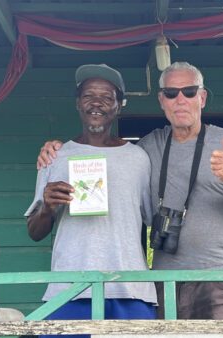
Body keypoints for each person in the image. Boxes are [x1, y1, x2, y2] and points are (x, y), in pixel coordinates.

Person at [36, 62, 223, 320]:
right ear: (161, 100)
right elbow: (108, 153)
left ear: (201, 98)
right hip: (164, 281)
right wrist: (55, 149)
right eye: (171, 93)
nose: (180, 99)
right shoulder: (145, 149)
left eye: (189, 92)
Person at [25, 64, 157, 337]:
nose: (96, 103)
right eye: (88, 96)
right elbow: (35, 233)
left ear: (118, 106)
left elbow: (153, 221)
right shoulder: (54, 157)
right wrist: (48, 209)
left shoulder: (139, 158)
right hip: (69, 289)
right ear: (78, 103)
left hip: (130, 289)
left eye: (107, 97)